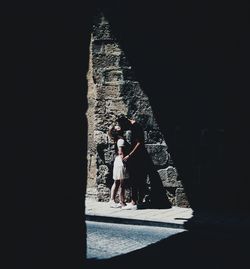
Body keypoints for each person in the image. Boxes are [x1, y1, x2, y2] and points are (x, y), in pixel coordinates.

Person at [116, 115, 148, 210]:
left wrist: (130, 155)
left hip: (137, 157)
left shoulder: (136, 127)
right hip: (135, 156)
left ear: (126, 122)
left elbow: (139, 143)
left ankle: (135, 201)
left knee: (136, 178)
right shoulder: (132, 126)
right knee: (135, 178)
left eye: (123, 125)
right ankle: (135, 200)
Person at [108, 125, 129, 208]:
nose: (119, 127)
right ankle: (121, 201)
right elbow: (120, 152)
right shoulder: (120, 140)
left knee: (117, 182)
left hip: (117, 160)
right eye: (117, 127)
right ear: (117, 131)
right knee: (121, 183)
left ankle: (112, 200)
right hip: (120, 161)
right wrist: (124, 159)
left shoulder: (117, 139)